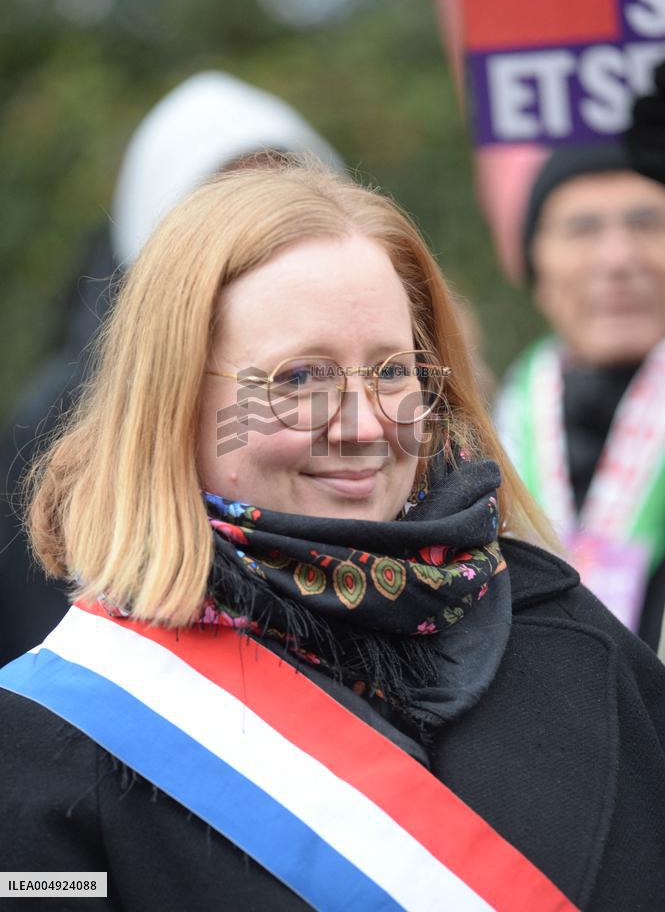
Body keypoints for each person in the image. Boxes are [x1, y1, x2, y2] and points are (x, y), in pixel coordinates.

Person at [1, 160, 664, 911]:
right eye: (298, 379)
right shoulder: (58, 730)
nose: (362, 426)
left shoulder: (576, 641)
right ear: (174, 400)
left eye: (391, 371)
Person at [0, 71, 342, 667]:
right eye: (218, 206)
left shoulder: (388, 380)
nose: (253, 233)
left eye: (278, 199)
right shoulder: (61, 423)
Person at [494, 139, 665, 660]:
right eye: (583, 228)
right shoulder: (483, 437)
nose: (617, 259)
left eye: (646, 223)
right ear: (536, 267)